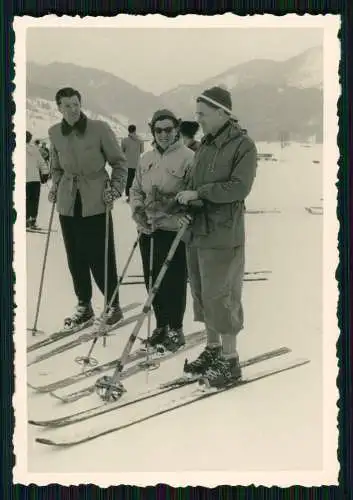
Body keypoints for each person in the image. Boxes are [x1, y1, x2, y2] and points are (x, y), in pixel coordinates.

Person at [176, 86, 258, 388]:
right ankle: (212, 349)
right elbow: (190, 181)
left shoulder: (243, 146)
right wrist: (183, 202)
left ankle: (230, 360)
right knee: (201, 292)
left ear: (223, 113)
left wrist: (200, 194)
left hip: (224, 233)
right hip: (198, 231)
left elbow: (239, 187)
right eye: (197, 114)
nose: (198, 120)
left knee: (221, 296)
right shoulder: (205, 146)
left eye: (203, 114)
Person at [48, 87, 127, 329]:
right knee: (75, 256)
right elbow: (56, 167)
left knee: (100, 255)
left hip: (95, 198)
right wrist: (55, 185)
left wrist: (115, 188)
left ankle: (113, 305)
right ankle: (84, 304)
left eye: (75, 104)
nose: (72, 109)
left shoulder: (99, 129)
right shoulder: (54, 133)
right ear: (59, 108)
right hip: (68, 201)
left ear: (81, 105)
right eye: (67, 105)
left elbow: (119, 163)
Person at [130, 109, 194, 352]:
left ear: (176, 129)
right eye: (159, 130)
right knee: (151, 278)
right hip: (148, 228)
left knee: (174, 281)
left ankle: (176, 328)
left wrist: (172, 204)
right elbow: (135, 188)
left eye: (168, 129)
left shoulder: (188, 157)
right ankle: (161, 325)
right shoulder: (145, 158)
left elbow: (191, 192)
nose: (164, 135)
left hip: (173, 230)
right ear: (153, 131)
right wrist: (137, 211)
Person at [26, 130, 50, 229]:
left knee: (26, 200)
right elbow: (42, 162)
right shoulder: (35, 149)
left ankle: (25, 220)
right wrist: (45, 174)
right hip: (35, 180)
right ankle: (32, 221)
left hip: (24, 180)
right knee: (34, 200)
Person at [121, 124, 144, 201]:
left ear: (128, 130)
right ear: (135, 130)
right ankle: (135, 195)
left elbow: (122, 151)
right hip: (137, 163)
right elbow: (142, 151)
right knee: (136, 180)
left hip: (127, 163)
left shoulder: (124, 140)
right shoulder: (140, 140)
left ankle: (128, 195)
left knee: (128, 180)